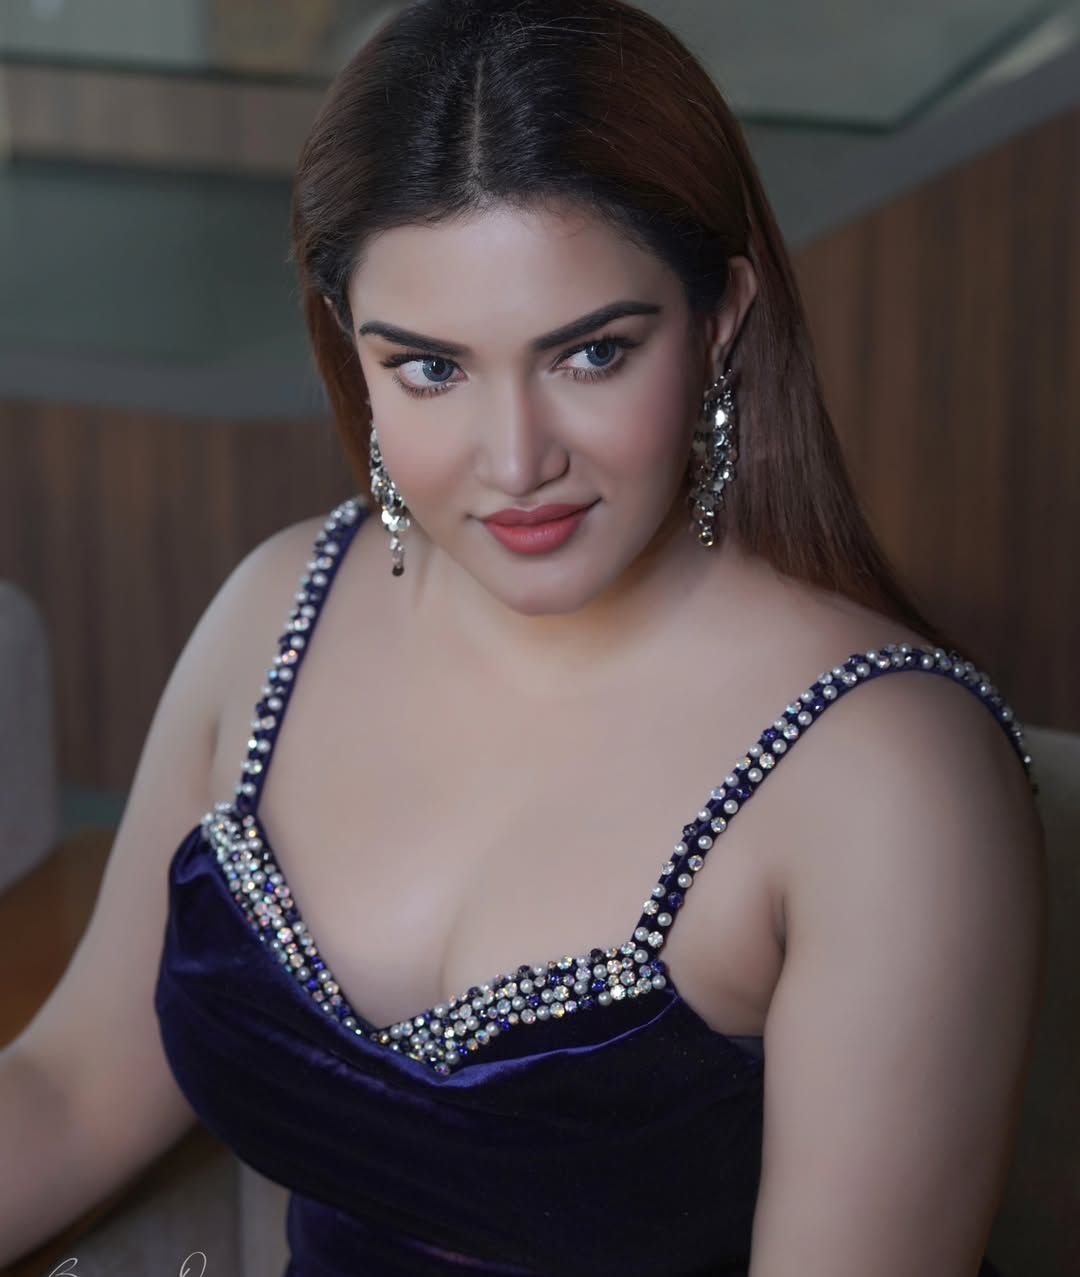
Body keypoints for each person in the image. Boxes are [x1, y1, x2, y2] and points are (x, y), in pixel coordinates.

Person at [0, 1, 1046, 1274]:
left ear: (720, 317)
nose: (516, 459)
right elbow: (73, 1088)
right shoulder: (278, 608)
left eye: (591, 354)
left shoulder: (888, 774)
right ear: (350, 343)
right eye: (431, 367)